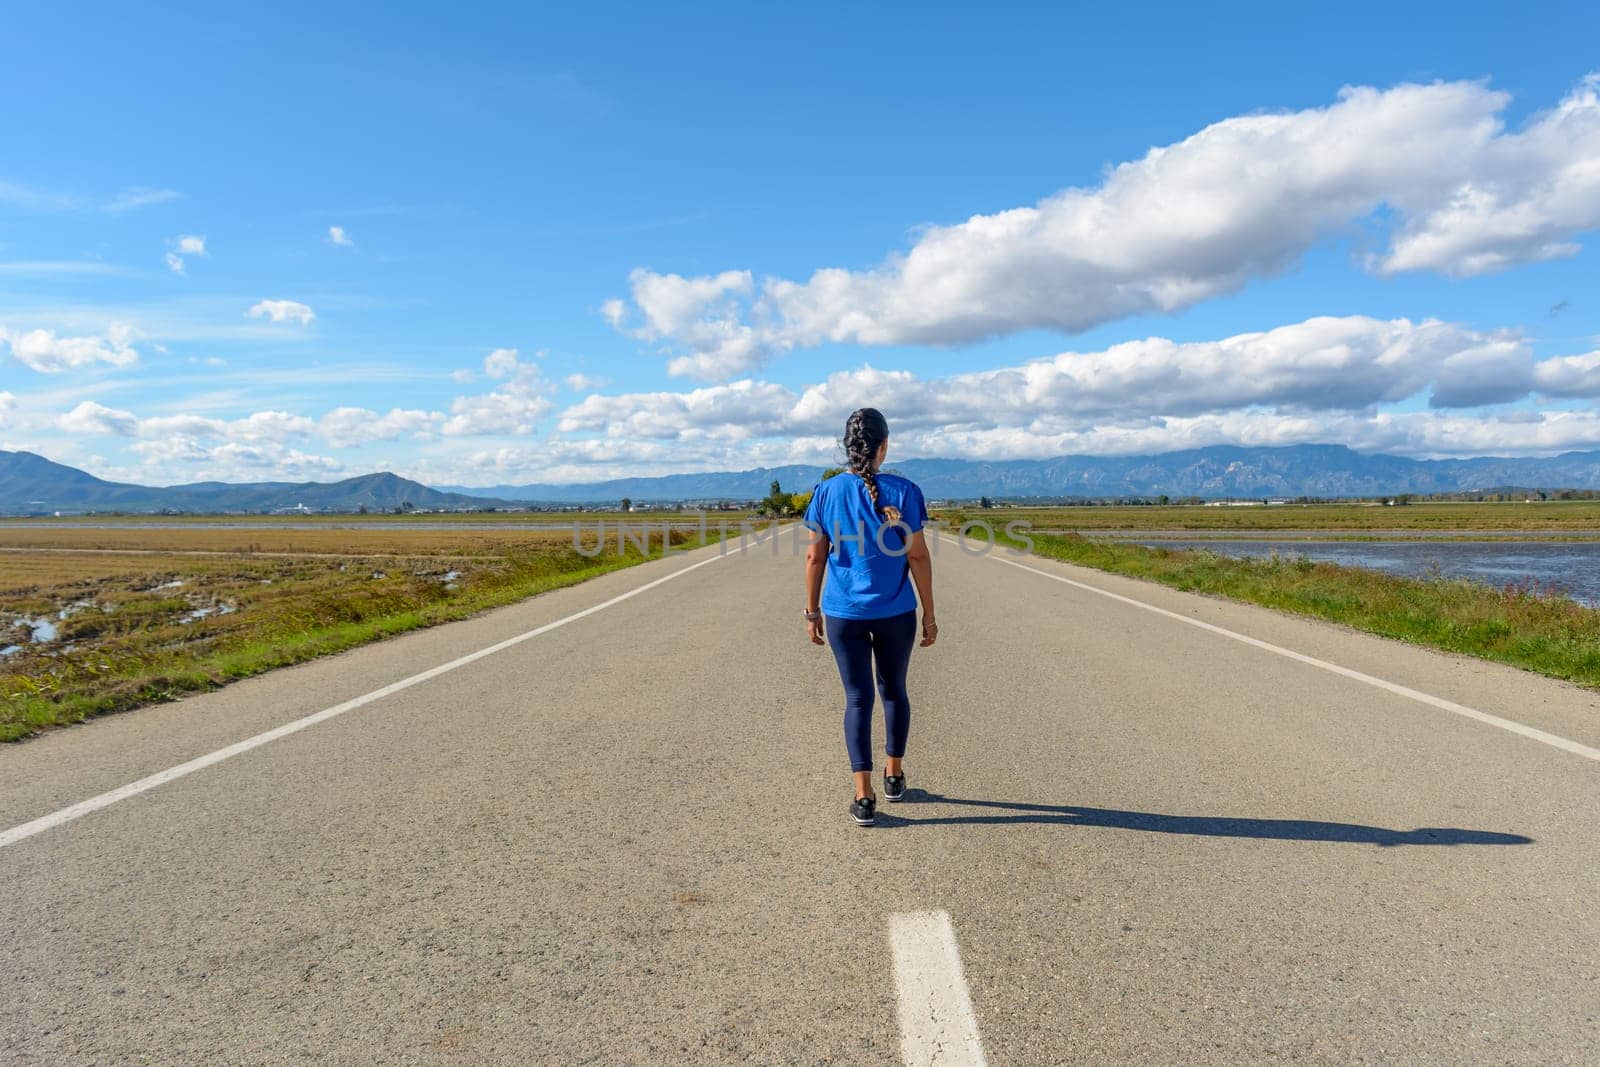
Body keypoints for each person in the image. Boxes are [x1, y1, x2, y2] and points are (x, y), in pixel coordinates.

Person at [803, 408, 937, 827]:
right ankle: (893, 775)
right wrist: (930, 614)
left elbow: (814, 556)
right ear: (883, 447)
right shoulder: (906, 491)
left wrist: (811, 612)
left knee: (858, 698)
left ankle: (863, 797)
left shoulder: (826, 493)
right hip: (896, 612)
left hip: (844, 613)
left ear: (848, 448)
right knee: (894, 690)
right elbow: (917, 556)